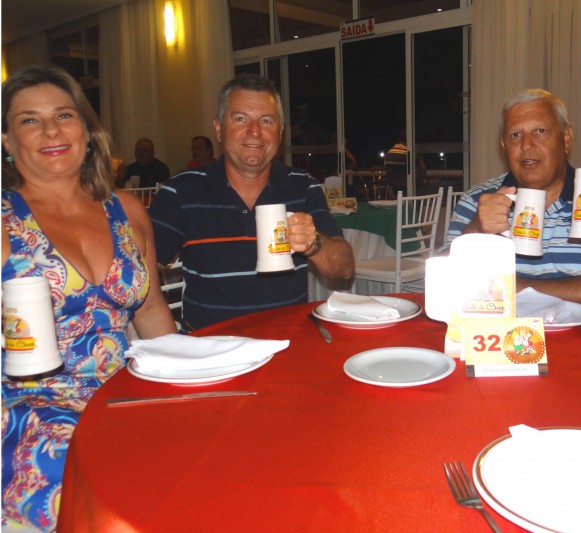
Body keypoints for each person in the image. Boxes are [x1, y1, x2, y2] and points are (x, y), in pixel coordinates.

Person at [1, 65, 176, 530]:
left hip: (124, 391)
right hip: (33, 404)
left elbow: (151, 310)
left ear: (86, 130)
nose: (52, 130)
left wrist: (183, 380)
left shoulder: (127, 210)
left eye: (64, 115)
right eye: (30, 120)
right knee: (99, 488)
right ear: (6, 140)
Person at [149, 73, 355, 331]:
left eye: (266, 121)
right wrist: (168, 340)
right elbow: (137, 275)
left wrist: (314, 244)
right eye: (240, 118)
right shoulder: (182, 191)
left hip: (287, 343)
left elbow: (345, 267)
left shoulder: (303, 186)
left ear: (280, 131)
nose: (254, 131)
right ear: (218, 128)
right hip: (211, 347)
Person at [445, 89, 581, 308]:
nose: (526, 145)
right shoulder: (478, 201)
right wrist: (475, 230)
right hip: (501, 328)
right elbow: (444, 282)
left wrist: (517, 289)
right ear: (504, 146)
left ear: (566, 138)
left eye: (540, 131)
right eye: (515, 135)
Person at [383, 130, 426, 197]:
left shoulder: (389, 152)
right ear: (409, 141)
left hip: (394, 188)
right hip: (408, 187)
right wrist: (420, 157)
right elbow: (422, 170)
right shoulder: (409, 153)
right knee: (431, 186)